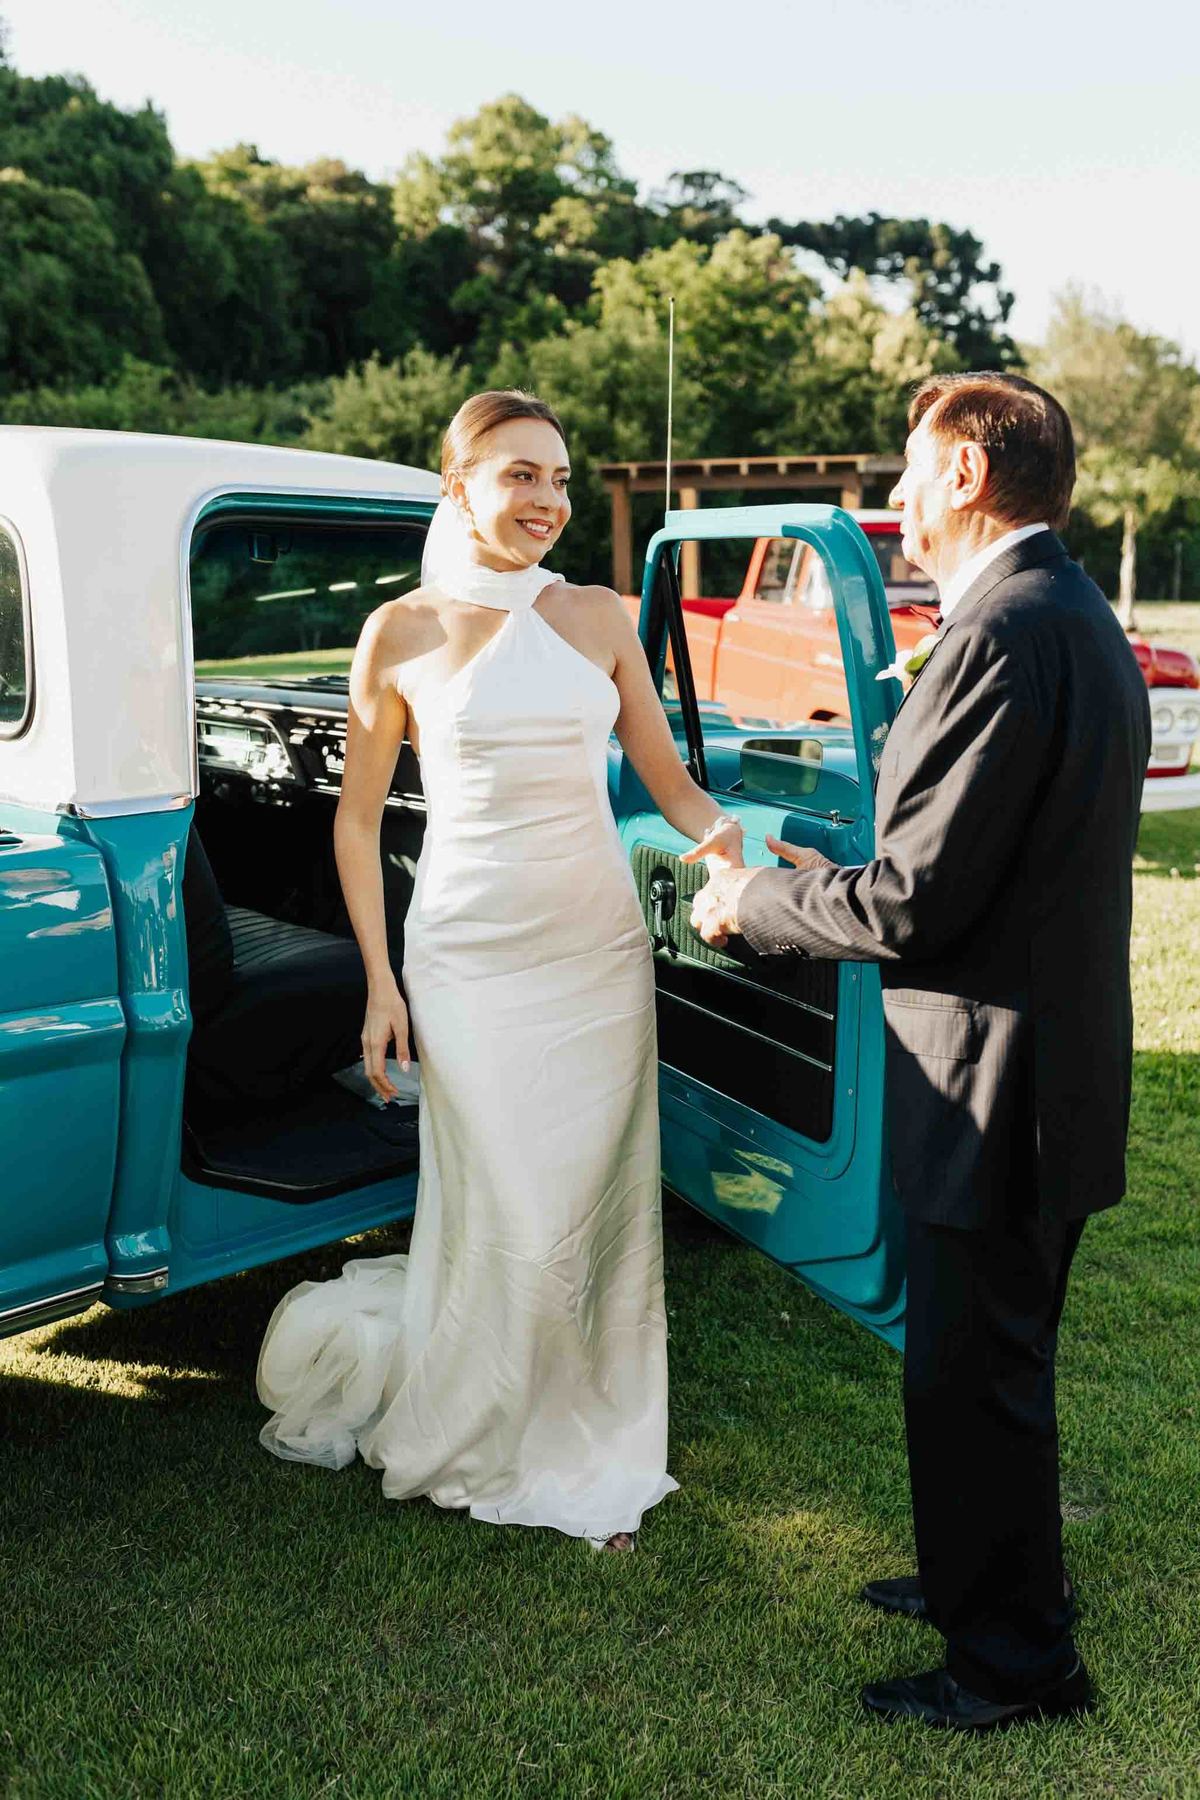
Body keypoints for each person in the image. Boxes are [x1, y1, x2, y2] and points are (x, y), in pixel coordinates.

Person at [688, 372, 1150, 1725]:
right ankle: (980, 1579)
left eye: (907, 471)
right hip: (1033, 1064)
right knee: (980, 1369)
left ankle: (1015, 1666)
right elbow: (976, 863)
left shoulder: (1004, 632)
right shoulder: (1064, 610)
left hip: (994, 1082)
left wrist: (752, 904)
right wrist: (823, 866)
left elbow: (914, 905)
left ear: (963, 473)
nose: (895, 500)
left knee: (976, 1374)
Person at [256, 390, 744, 1552]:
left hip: (595, 952)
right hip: (467, 955)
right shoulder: (399, 632)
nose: (548, 500)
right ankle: (492, 1425)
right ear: (459, 486)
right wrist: (382, 983)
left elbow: (669, 783)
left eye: (560, 479)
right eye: (521, 474)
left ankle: (585, 1426)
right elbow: (355, 823)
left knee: (587, 1199)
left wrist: (732, 847)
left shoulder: (601, 615)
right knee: (509, 1199)